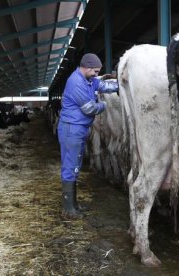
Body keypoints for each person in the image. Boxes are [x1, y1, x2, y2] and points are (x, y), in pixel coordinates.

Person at [58, 53, 118, 219]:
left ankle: (73, 205)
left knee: (75, 166)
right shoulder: (76, 82)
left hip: (78, 128)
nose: (96, 74)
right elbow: (90, 109)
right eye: (95, 71)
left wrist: (120, 85)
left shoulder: (88, 79)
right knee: (70, 167)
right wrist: (105, 105)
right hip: (72, 129)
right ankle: (68, 209)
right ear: (87, 67)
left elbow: (103, 85)